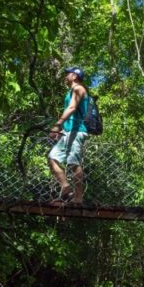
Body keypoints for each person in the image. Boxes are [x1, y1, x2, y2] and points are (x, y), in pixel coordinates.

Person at [48, 67, 90, 204]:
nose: (65, 76)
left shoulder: (79, 89)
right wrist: (62, 129)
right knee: (52, 158)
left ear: (75, 76)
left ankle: (78, 198)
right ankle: (65, 186)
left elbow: (72, 108)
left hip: (77, 131)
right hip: (68, 131)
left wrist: (57, 124)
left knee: (74, 163)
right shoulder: (71, 91)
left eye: (68, 74)